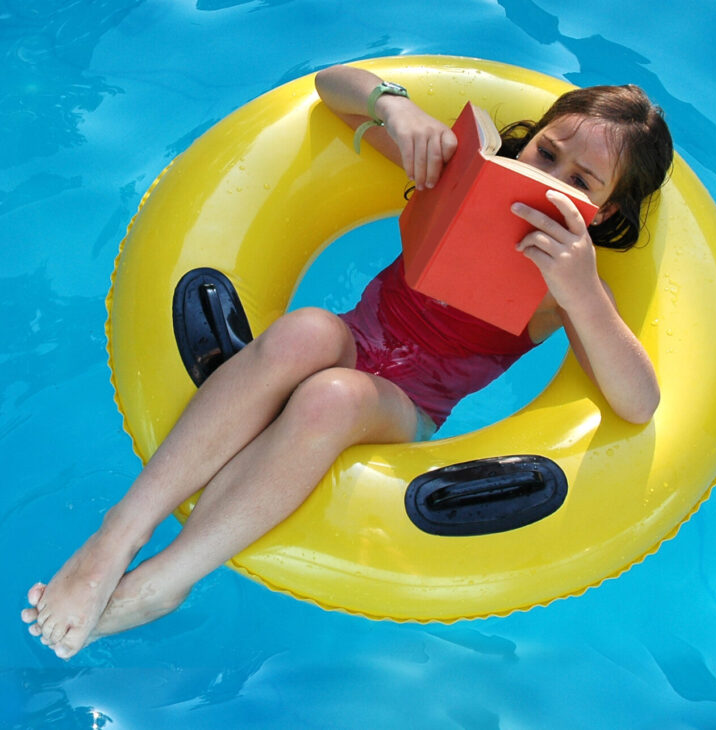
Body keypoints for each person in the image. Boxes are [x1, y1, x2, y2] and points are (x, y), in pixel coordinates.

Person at [21, 63, 673, 659]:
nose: (547, 176)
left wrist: (584, 295)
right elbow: (331, 86)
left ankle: (167, 580)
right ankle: (116, 537)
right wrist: (398, 111)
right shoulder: (458, 177)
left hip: (405, 406)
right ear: (527, 138)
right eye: (545, 152)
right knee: (304, 330)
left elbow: (638, 402)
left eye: (578, 181)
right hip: (353, 339)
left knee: (332, 396)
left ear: (605, 209)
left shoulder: (571, 288)